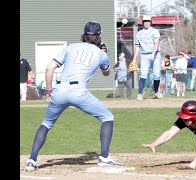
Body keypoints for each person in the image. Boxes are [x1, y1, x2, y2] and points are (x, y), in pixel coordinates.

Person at [25, 21, 124, 171]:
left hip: (59, 89)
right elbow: (106, 73)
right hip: (78, 91)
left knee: (46, 123)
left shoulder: (70, 47)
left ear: (84, 35)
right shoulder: (101, 53)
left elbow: (49, 68)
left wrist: (49, 92)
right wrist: (104, 53)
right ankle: (104, 157)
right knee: (107, 117)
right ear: (98, 36)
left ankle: (31, 160)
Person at [132, 15, 162, 101]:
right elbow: (137, 47)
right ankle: (140, 94)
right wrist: (134, 58)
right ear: (143, 23)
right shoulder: (139, 34)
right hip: (144, 55)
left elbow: (157, 43)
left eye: (148, 21)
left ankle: (156, 92)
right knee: (143, 74)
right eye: (145, 21)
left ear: (150, 22)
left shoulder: (155, 31)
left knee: (157, 74)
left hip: (155, 54)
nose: (147, 23)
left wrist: (153, 54)